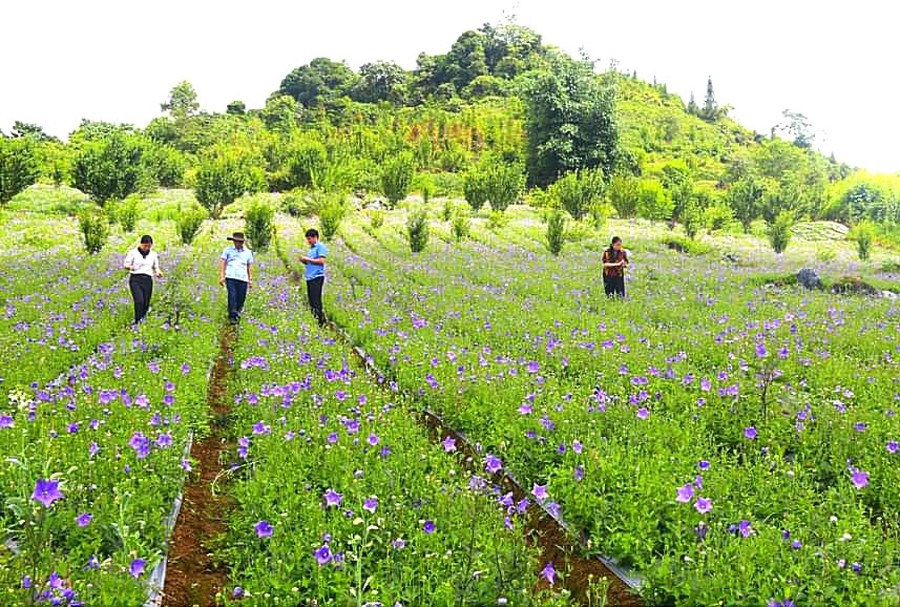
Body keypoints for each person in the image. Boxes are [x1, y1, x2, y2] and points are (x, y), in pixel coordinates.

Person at [123, 235, 163, 325]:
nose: (147, 248)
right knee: (139, 300)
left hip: (147, 280)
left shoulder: (153, 255)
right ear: (141, 244)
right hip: (135, 279)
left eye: (149, 246)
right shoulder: (133, 253)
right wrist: (130, 267)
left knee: (146, 302)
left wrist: (158, 272)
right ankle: (137, 321)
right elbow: (125, 264)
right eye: (145, 246)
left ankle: (143, 320)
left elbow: (156, 267)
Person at [219, 232, 253, 324]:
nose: (238, 243)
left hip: (243, 278)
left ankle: (237, 312)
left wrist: (250, 279)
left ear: (242, 242)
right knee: (232, 296)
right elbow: (223, 263)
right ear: (233, 242)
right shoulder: (228, 250)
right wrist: (222, 276)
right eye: (236, 241)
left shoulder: (248, 253)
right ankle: (232, 316)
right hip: (231, 276)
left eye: (240, 242)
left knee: (241, 298)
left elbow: (249, 266)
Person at [300, 228, 328, 326]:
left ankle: (320, 322)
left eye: (309, 239)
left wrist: (307, 259)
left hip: (317, 276)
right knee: (311, 300)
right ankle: (315, 320)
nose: (308, 241)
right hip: (310, 277)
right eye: (307, 239)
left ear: (315, 237)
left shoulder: (321, 247)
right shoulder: (311, 249)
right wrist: (304, 261)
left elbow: (321, 261)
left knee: (316, 300)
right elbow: (312, 262)